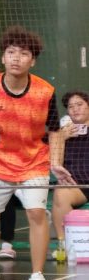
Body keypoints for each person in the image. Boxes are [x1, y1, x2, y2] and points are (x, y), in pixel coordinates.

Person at [0, 26, 70, 280]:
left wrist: (55, 162)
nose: (16, 58)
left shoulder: (45, 91)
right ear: (3, 57)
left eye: (23, 54)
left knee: (36, 214)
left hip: (35, 162)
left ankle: (37, 277)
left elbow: (55, 130)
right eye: (11, 52)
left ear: (32, 61)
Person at [51, 90, 89, 249]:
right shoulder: (60, 134)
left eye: (79, 104)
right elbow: (56, 163)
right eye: (71, 106)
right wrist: (61, 138)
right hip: (76, 184)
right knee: (61, 193)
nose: (75, 109)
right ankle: (64, 246)